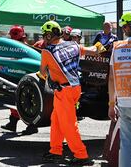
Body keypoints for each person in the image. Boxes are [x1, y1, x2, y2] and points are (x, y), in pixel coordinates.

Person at [38, 20, 104, 165]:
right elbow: (95, 50)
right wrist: (103, 45)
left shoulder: (46, 52)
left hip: (63, 91)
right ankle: (55, 151)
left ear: (49, 36)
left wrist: (48, 74)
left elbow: (42, 73)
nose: (43, 38)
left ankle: (81, 155)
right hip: (75, 88)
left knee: (68, 123)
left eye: (44, 35)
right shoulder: (73, 45)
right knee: (56, 119)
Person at [108, 11, 131, 166]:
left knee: (126, 146)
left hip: (125, 102)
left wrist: (111, 105)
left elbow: (112, 78)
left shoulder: (118, 47)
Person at [1, 25, 38, 135]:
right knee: (15, 101)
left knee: (27, 103)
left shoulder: (22, 48)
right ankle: (12, 124)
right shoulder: (20, 47)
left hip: (25, 78)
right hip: (20, 77)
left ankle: (32, 126)